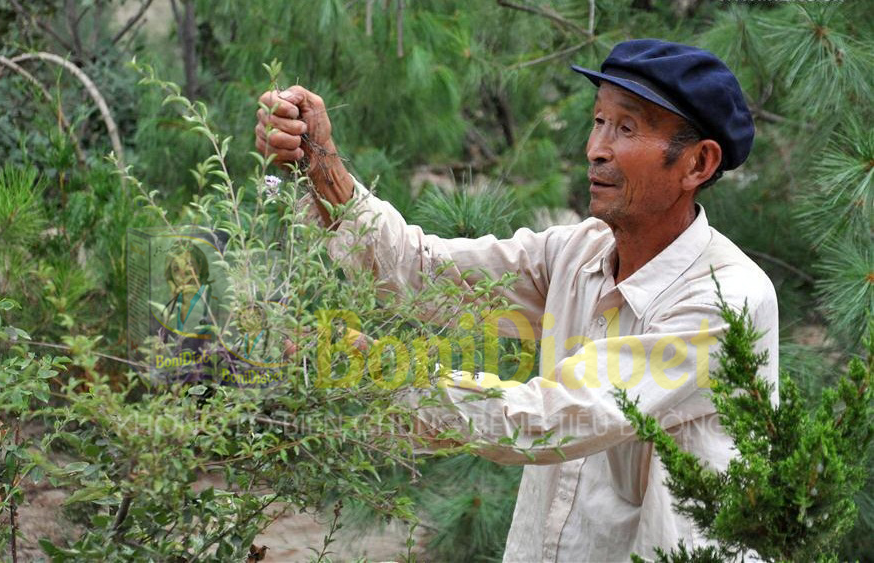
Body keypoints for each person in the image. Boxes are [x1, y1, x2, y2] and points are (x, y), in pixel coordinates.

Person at [254, 39, 778, 562]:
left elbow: (555, 417)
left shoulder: (725, 299)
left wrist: (388, 375)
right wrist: (322, 166)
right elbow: (423, 273)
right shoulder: (576, 253)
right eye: (599, 121)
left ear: (698, 163)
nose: (596, 148)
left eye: (626, 128)